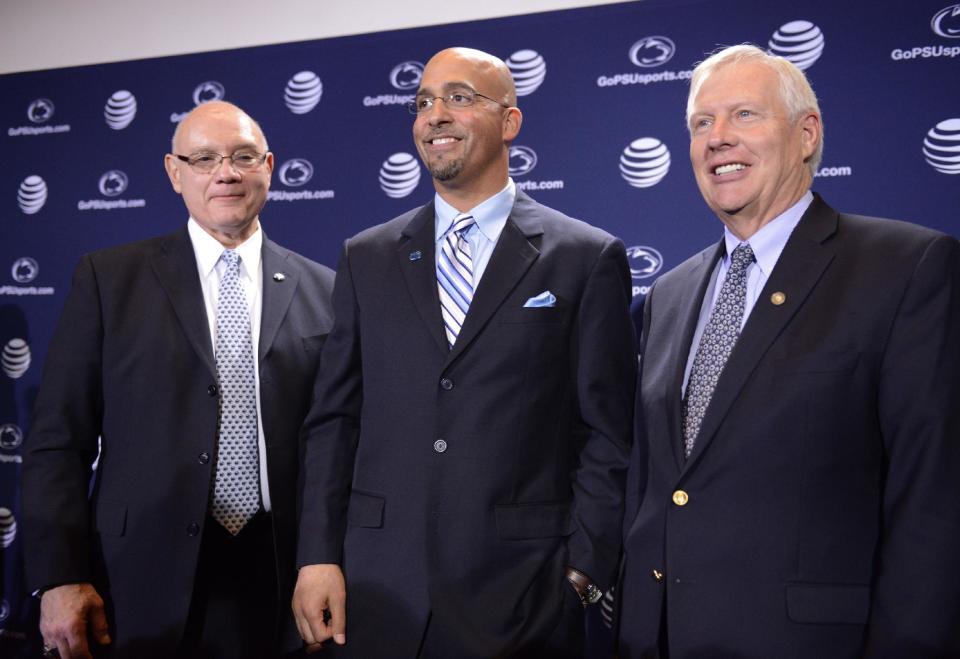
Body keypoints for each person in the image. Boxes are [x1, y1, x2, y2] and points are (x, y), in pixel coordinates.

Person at [291, 47, 636, 658]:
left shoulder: (585, 257)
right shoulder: (366, 257)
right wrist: (318, 555)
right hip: (375, 592)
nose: (435, 115)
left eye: (458, 97)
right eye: (423, 101)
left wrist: (581, 575)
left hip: (521, 594)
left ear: (509, 122)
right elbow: (334, 421)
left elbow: (605, 433)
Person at [617, 44, 960, 658]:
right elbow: (658, 488)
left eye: (744, 115)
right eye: (702, 123)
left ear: (806, 134)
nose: (718, 138)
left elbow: (933, 497)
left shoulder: (905, 268)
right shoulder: (666, 296)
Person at [21, 100, 336, 659]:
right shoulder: (109, 280)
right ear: (174, 172)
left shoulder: (326, 290)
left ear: (269, 165)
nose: (227, 173)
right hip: (136, 579)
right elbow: (58, 441)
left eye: (243, 156)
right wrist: (59, 576)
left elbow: (336, 444)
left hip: (281, 577)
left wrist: (326, 557)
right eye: (205, 158)